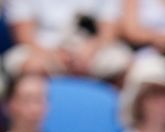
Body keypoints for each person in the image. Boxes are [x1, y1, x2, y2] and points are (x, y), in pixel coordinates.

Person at [3, 0, 132, 79]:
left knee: (122, 61)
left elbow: (108, 30)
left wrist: (90, 52)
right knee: (20, 63)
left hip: (90, 52)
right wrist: (54, 57)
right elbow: (24, 35)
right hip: (44, 51)